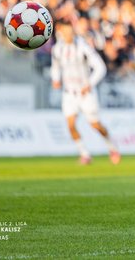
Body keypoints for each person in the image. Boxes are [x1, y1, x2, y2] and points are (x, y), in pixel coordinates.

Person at [51, 21, 121, 165]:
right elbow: (56, 66)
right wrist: (56, 79)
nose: (68, 35)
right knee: (70, 124)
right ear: (61, 32)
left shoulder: (83, 46)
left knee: (95, 125)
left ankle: (112, 146)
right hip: (69, 93)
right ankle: (84, 154)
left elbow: (100, 67)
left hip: (85, 93)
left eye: (70, 32)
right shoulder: (57, 49)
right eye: (65, 32)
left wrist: (89, 83)